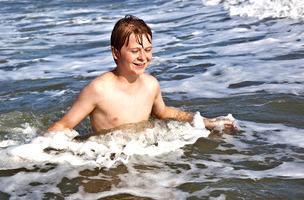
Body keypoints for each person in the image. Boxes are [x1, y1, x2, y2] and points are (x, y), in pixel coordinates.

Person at [43, 15, 237, 137]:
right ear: (116, 52)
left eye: (148, 49)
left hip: (141, 159)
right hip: (106, 161)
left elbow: (165, 113)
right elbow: (63, 126)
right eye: (135, 51)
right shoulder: (99, 89)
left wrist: (208, 123)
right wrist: (31, 155)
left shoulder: (150, 84)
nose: (143, 57)